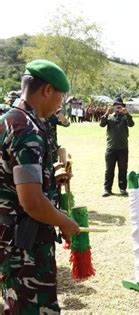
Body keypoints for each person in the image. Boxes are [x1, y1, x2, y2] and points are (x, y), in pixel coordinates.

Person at [0, 59, 80, 314]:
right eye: (60, 97)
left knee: (11, 303)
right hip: (24, 246)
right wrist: (63, 221)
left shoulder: (9, 120)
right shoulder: (28, 130)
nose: (60, 105)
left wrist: (49, 178)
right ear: (47, 90)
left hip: (8, 238)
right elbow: (32, 202)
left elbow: (11, 176)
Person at [100, 97, 135, 197]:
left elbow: (131, 124)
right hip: (111, 148)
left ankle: (123, 188)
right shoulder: (109, 117)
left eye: (120, 106)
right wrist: (107, 113)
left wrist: (127, 113)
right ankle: (107, 189)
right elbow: (102, 124)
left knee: (123, 169)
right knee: (109, 170)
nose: (118, 108)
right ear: (113, 107)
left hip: (123, 148)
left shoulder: (125, 117)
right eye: (116, 106)